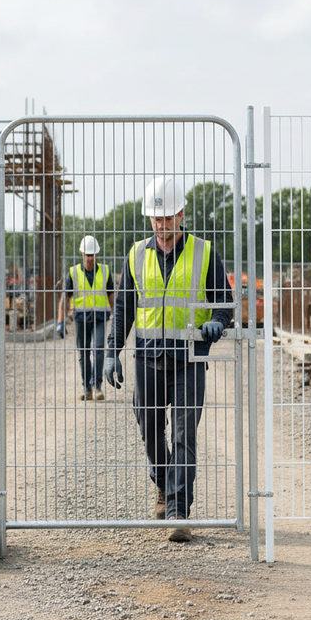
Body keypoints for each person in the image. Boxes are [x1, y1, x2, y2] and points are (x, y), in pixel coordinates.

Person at [104, 177, 234, 543]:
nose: (161, 226)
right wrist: (112, 351)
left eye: (167, 218)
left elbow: (225, 301)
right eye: (155, 219)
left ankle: (177, 510)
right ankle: (162, 483)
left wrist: (216, 322)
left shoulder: (204, 252)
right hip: (147, 360)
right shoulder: (135, 255)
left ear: (180, 215)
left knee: (183, 435)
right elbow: (124, 307)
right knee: (149, 432)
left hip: (189, 359)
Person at [57, 235, 115, 401]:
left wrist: (116, 316)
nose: (90, 258)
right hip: (81, 318)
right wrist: (60, 322)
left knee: (98, 350)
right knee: (83, 353)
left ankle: (97, 386)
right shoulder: (73, 272)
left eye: (92, 255)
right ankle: (86, 388)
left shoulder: (105, 271)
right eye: (87, 254)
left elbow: (111, 296)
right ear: (82, 254)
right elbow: (65, 298)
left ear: (96, 255)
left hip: (100, 318)